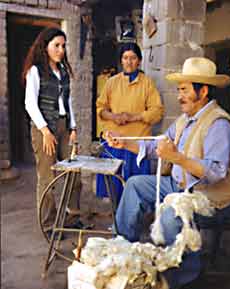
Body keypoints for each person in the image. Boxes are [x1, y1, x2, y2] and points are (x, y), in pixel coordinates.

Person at [104, 57, 230, 289]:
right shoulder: (184, 120)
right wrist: (125, 143)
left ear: (204, 91)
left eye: (185, 90)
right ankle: (123, 253)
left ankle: (187, 282)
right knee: (135, 185)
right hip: (179, 187)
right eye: (179, 90)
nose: (179, 96)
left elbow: (216, 172)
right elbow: (157, 145)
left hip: (210, 197)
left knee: (171, 214)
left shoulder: (218, 123)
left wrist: (176, 157)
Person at [22, 27, 83, 232]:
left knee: (74, 171)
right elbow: (30, 104)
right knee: (48, 177)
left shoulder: (63, 72)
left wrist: (73, 127)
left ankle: (72, 217)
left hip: (64, 126)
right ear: (45, 46)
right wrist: (45, 131)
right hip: (44, 129)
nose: (61, 50)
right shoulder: (35, 71)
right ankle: (47, 224)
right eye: (56, 45)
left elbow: (69, 101)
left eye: (63, 46)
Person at [96, 42, 164, 202]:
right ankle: (116, 219)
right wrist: (114, 117)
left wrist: (133, 117)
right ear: (121, 61)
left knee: (135, 190)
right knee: (113, 189)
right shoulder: (112, 82)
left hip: (136, 143)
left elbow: (157, 112)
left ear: (139, 61)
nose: (129, 61)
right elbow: (100, 108)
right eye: (125, 58)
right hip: (114, 141)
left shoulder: (147, 83)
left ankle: (132, 219)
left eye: (133, 58)